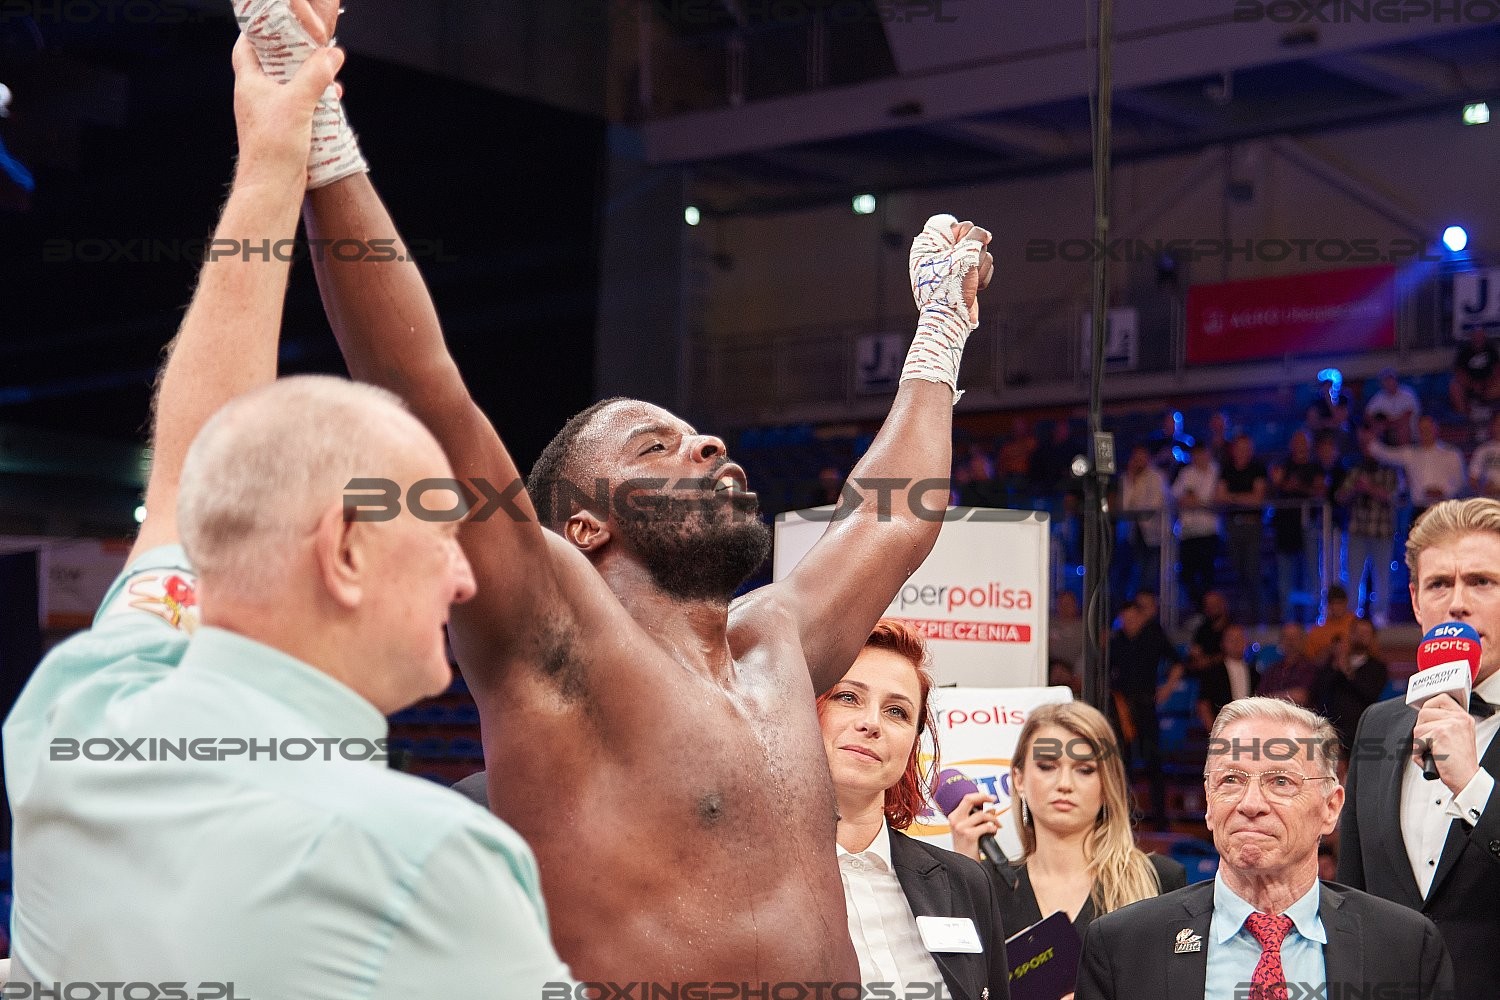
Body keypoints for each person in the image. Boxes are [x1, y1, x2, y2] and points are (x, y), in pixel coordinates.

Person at [295, 6, 996, 976]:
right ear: (585, 521)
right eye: (656, 446)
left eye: (699, 435)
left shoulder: (774, 647)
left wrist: (939, 333)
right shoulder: (554, 623)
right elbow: (423, 388)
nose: (708, 442)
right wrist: (317, 121)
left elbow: (895, 514)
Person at [1, 31, 572, 993]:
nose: (465, 571)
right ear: (344, 550)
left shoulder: (77, 712)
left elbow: (191, 481)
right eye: (437, 531)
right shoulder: (431, 861)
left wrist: (273, 150)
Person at [1078, 699, 1454, 1000]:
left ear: (1330, 808)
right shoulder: (1122, 947)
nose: (1250, 803)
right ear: (1209, 803)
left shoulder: (1405, 949)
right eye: (1231, 779)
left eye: (1280, 781)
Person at [1338, 497, 1500, 999]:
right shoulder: (1378, 725)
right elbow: (1351, 896)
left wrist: (1474, 786)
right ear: (1414, 602)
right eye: (1439, 584)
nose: (1457, 602)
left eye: (1481, 581)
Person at [819, 620, 1010, 1000]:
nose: (871, 723)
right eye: (848, 697)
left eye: (896, 712)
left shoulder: (965, 883)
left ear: (913, 743)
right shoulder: (743, 881)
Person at [947, 702, 1185, 940]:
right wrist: (965, 873)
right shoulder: (988, 886)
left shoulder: (1159, 880)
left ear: (1106, 784)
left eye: (1084, 770)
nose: (1064, 784)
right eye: (1047, 767)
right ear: (1019, 780)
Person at [1106, 601, 1176, 827]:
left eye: (1133, 618)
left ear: (1141, 617)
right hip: (1121, 707)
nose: (1129, 623)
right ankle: (1123, 816)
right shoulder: (1116, 641)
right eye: (1124, 619)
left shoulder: (1154, 636)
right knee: (1122, 763)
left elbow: (1178, 662)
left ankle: (1160, 816)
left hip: (1146, 705)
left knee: (1153, 761)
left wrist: (1168, 687)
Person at [1338, 426, 1402, 627]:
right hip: (1358, 531)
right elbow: (1340, 496)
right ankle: (1351, 617)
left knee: (1382, 576)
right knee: (1353, 575)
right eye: (1365, 445)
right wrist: (1356, 490)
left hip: (1382, 532)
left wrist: (1370, 488)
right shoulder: (1356, 470)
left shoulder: (1390, 470)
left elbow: (1393, 496)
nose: (1368, 450)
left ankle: (1380, 616)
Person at [1310, 616, 1388, 756]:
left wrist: (1347, 671)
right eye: (1357, 633)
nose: (1360, 637)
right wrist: (1335, 666)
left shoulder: (1377, 668)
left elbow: (1369, 694)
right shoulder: (1332, 664)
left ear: (1372, 638)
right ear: (1350, 634)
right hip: (1330, 730)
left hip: (1361, 732)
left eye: (1365, 634)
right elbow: (1318, 692)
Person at [1270, 430, 1326, 624]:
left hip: (1308, 525)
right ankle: (1289, 620)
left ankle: (1313, 619)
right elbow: (1276, 487)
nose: (1300, 446)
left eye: (1303, 443)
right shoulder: (1283, 465)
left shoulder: (1315, 467)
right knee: (1285, 577)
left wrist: (1297, 488)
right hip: (1285, 527)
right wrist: (1284, 485)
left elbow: (1320, 491)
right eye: (1297, 442)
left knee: (1312, 573)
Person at [1370, 415, 1464, 521]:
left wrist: (1443, 492)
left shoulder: (1451, 454)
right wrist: (1374, 432)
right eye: (1421, 429)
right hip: (1419, 511)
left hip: (1444, 509)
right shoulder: (1410, 454)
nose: (1425, 432)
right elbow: (1383, 454)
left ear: (1435, 428)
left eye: (1428, 428)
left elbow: (1460, 481)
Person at [1218, 435, 1269, 624]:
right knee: (1237, 572)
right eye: (1239, 447)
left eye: (1246, 447)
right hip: (1232, 526)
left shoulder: (1258, 468)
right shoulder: (1227, 469)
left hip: (1252, 525)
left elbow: (1257, 499)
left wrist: (1231, 498)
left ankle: (1258, 618)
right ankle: (1240, 619)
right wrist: (1242, 498)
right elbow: (1219, 496)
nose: (1242, 451)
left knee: (1252, 571)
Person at [1174, 443, 1223, 611]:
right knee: (1187, 576)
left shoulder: (1217, 471)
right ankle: (1198, 610)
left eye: (1203, 454)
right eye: (1196, 454)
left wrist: (1197, 500)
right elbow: (1177, 498)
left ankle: (1208, 612)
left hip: (1209, 532)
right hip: (1188, 534)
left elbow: (1216, 499)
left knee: (1208, 577)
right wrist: (1201, 501)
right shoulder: (1186, 473)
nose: (1200, 458)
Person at [1119, 444, 1169, 599]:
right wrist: (1132, 481)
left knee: (1149, 575)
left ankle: (1147, 605)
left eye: (1142, 457)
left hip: (1153, 535)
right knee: (1132, 574)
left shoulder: (1157, 477)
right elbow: (1125, 505)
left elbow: (1155, 504)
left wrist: (1138, 509)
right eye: (1136, 457)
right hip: (1132, 534)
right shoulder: (1126, 478)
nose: (1139, 461)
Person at [1258, 623, 1317, 708]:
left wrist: (1271, 697)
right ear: (1281, 641)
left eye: (1294, 638)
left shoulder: (1310, 668)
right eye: (1286, 638)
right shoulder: (1272, 670)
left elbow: (1301, 696)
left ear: (1303, 640)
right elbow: (1260, 698)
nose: (1290, 642)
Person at [1449, 329, 1500, 419]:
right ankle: (1464, 417)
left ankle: (1492, 414)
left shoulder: (1491, 350)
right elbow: (1459, 373)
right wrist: (1473, 384)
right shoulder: (1464, 352)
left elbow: (1497, 369)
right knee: (1454, 387)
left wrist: (1487, 383)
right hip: (1469, 387)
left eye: (1480, 336)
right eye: (1476, 336)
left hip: (1488, 387)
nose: (1478, 338)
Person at [1365, 366, 1421, 440]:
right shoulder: (1378, 397)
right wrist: (1378, 425)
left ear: (1396, 379)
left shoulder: (1408, 394)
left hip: (1410, 437)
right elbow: (1368, 415)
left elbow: (1407, 416)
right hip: (1387, 438)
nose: (1389, 382)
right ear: (1381, 383)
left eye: (1391, 379)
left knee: (1403, 428)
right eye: (1386, 380)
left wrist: (1387, 423)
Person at [1303, 584, 1354, 663]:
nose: (1336, 607)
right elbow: (1310, 661)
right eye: (1333, 603)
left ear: (1346, 602)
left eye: (1339, 603)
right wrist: (1329, 650)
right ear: (1328, 605)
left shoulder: (1358, 626)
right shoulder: (1317, 632)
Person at [1467, 410, 1500, 497]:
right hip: (1489, 500)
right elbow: (1473, 478)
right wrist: (1483, 486)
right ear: (1492, 426)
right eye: (1497, 424)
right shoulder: (1482, 450)